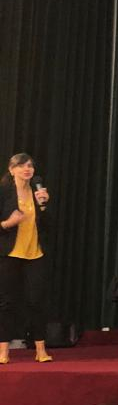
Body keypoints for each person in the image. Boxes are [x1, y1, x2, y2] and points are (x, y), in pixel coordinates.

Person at [0, 153, 53, 364]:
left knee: (36, 301)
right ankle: (3, 352)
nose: (27, 169)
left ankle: (40, 350)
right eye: (21, 165)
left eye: (30, 165)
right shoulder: (4, 192)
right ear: (11, 170)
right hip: (10, 253)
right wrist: (7, 223)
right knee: (7, 303)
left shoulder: (38, 192)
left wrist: (44, 206)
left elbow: (48, 226)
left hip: (35, 254)